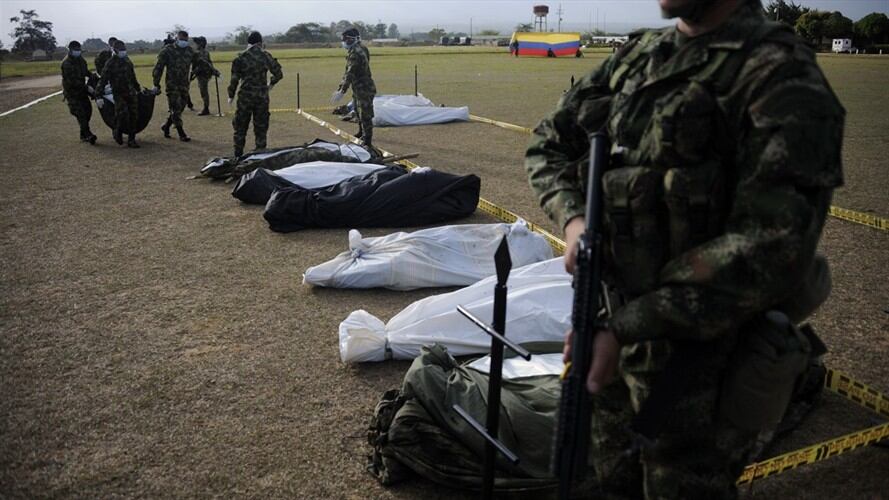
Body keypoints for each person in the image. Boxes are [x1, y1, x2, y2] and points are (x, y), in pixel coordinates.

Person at [525, 0, 844, 497]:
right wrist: (574, 219)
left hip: (700, 364)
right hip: (605, 331)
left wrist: (626, 328)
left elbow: (771, 247)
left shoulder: (780, 74)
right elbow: (548, 142)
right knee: (604, 483)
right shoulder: (640, 55)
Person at [227, 31, 283, 157]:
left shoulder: (241, 57)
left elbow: (234, 80)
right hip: (261, 97)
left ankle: (238, 155)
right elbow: (278, 74)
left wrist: (231, 95)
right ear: (260, 42)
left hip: (245, 97)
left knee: (240, 127)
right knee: (261, 128)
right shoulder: (265, 56)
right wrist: (270, 84)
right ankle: (260, 155)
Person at [330, 28, 376, 149]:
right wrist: (341, 88)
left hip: (363, 87)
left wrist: (342, 90)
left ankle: (367, 140)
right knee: (357, 110)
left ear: (352, 39)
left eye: (345, 39)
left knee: (365, 114)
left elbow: (350, 73)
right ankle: (361, 133)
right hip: (359, 86)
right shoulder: (361, 48)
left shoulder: (355, 53)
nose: (344, 42)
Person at [153, 30, 198, 141]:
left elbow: (200, 62)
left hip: (184, 85)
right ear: (177, 39)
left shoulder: (189, 51)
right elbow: (159, 67)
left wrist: (213, 71)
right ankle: (181, 133)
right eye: (181, 39)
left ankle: (166, 126)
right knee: (175, 108)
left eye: (185, 40)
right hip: (172, 84)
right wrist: (156, 83)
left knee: (180, 107)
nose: (184, 42)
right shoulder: (168, 50)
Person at [97, 40, 144, 148]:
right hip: (118, 93)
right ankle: (117, 130)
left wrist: (138, 89)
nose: (123, 51)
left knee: (134, 115)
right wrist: (98, 95)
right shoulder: (110, 63)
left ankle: (131, 139)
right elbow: (103, 80)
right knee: (121, 114)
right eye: (121, 50)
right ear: (115, 50)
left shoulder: (127, 61)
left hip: (131, 92)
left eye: (124, 49)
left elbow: (132, 76)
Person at [60, 41, 97, 144]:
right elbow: (72, 82)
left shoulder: (80, 60)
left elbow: (85, 71)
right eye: (76, 50)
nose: (78, 52)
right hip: (72, 93)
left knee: (88, 111)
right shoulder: (66, 63)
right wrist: (87, 88)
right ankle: (88, 135)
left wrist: (93, 76)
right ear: (70, 50)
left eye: (79, 50)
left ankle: (83, 134)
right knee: (81, 114)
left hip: (82, 92)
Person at [192, 36, 221, 116]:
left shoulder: (198, 53)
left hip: (202, 74)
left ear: (201, 44)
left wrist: (193, 73)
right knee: (204, 91)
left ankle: (206, 108)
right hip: (205, 74)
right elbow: (209, 62)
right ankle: (206, 107)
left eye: (197, 43)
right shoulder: (205, 52)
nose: (195, 45)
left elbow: (201, 65)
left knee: (204, 91)